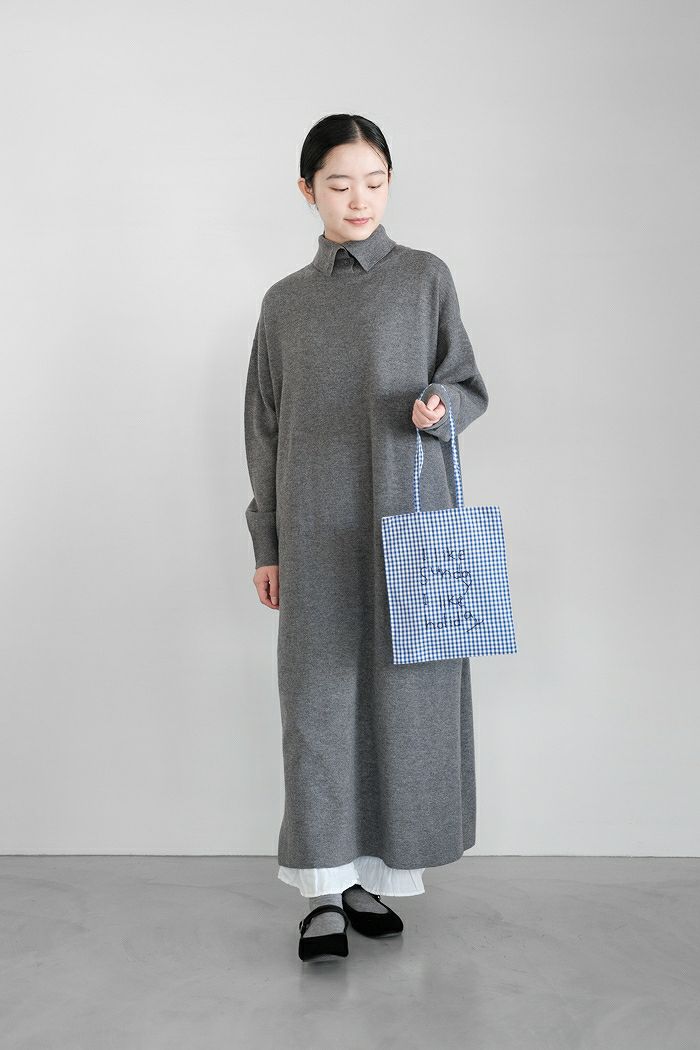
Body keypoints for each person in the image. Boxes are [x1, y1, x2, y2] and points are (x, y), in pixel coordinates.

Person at [243, 113, 489, 962]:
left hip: (408, 526)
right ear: (307, 189)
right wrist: (267, 542)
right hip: (315, 532)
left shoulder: (424, 278)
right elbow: (263, 428)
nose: (359, 199)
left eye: (375, 182)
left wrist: (442, 406)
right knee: (317, 706)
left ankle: (367, 878)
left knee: (402, 703)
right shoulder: (285, 302)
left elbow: (469, 383)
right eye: (340, 183)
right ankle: (322, 890)